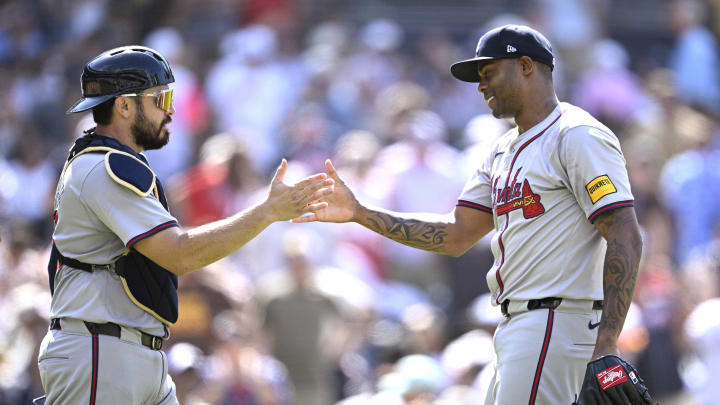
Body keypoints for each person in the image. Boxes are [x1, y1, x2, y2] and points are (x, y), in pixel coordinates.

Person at [296, 25, 643, 404]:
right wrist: (360, 213)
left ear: (526, 65)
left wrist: (607, 341)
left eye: (489, 71)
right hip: (518, 325)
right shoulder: (502, 151)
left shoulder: (575, 135)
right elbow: (455, 234)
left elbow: (624, 232)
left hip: (557, 320)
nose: (481, 85)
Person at [36, 45, 334, 405]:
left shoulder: (113, 164)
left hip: (128, 352)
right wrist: (267, 212)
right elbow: (179, 254)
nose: (172, 109)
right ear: (125, 105)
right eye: (160, 98)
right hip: (101, 353)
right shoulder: (104, 168)